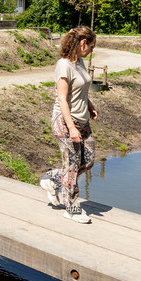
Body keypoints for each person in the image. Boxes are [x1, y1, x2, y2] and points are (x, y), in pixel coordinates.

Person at [39, 25, 99, 224]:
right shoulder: (63, 65)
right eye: (92, 45)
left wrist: (89, 106)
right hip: (65, 122)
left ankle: (53, 179)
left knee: (88, 161)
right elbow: (63, 99)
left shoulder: (79, 61)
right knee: (72, 167)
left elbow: (80, 90)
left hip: (83, 119)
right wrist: (71, 128)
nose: (92, 49)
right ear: (83, 43)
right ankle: (71, 208)